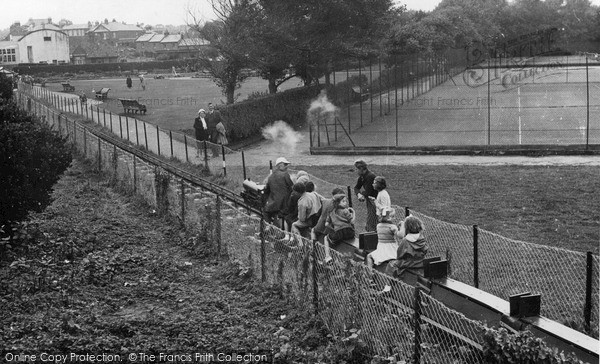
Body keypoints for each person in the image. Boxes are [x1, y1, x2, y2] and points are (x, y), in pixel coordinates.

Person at [324, 193, 355, 262]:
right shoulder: (345, 210)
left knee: (326, 238)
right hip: (349, 232)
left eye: (346, 201)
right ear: (337, 203)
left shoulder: (331, 212)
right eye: (343, 201)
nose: (345, 203)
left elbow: (326, 224)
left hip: (338, 232)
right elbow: (352, 222)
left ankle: (327, 256)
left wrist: (333, 229)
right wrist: (353, 213)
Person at [263, 157, 294, 225]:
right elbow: (292, 188)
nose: (287, 166)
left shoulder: (271, 176)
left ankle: (268, 226)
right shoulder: (285, 174)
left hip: (273, 204)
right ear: (280, 165)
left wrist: (266, 201)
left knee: (265, 211)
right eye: (285, 164)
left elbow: (266, 190)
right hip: (284, 204)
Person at [353, 160, 378, 232]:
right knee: (371, 220)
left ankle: (372, 235)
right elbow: (356, 187)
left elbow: (368, 191)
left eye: (357, 169)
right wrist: (358, 194)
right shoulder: (362, 177)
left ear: (361, 169)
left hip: (375, 202)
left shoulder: (370, 176)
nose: (356, 171)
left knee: (372, 221)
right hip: (369, 201)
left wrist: (362, 194)